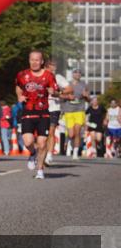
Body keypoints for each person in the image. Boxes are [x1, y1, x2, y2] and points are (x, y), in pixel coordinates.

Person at [14, 50, 58, 179]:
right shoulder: (22, 75)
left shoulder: (49, 75)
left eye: (37, 60)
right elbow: (18, 86)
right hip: (27, 110)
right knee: (28, 142)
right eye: (32, 59)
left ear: (42, 61)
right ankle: (33, 153)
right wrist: (19, 96)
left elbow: (55, 91)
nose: (34, 62)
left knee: (42, 143)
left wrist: (53, 91)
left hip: (43, 112)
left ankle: (40, 170)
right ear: (29, 60)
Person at [44, 59, 69, 165]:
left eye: (55, 65)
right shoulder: (40, 76)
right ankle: (41, 153)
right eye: (52, 65)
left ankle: (49, 155)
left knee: (51, 132)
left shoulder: (58, 77)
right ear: (46, 66)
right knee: (41, 133)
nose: (55, 67)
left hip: (54, 107)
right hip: (41, 107)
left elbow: (69, 89)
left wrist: (58, 91)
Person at [61, 68, 90, 159]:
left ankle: (75, 152)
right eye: (76, 73)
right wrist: (68, 97)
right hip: (69, 111)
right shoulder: (67, 84)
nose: (77, 74)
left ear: (81, 75)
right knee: (71, 134)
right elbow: (61, 95)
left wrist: (86, 96)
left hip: (79, 110)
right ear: (72, 74)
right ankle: (69, 142)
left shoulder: (84, 85)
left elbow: (89, 99)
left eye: (79, 73)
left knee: (77, 132)